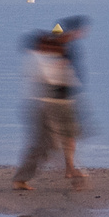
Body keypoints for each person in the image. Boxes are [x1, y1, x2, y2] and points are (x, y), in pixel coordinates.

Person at [12, 16, 90, 191]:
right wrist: (61, 69)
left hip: (54, 102)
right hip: (41, 105)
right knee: (45, 144)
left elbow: (65, 78)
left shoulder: (55, 54)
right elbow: (51, 79)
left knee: (56, 141)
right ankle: (21, 179)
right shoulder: (37, 59)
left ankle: (69, 171)